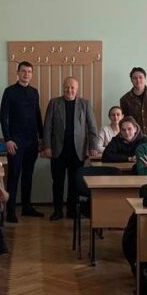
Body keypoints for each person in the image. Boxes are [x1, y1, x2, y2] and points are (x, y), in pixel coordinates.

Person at [42, 76, 101, 220]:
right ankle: (57, 211)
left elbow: (92, 127)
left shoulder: (85, 104)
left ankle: (72, 210)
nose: (69, 90)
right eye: (67, 87)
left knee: (74, 183)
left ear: (77, 89)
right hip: (58, 150)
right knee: (57, 182)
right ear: (63, 88)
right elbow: (47, 126)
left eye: (72, 88)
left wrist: (93, 146)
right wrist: (47, 146)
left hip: (78, 151)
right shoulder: (54, 103)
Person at [0, 61, 45, 222]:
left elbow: (38, 115)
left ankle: (26, 207)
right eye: (23, 71)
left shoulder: (34, 92)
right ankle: (10, 211)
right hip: (15, 141)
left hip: (32, 140)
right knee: (14, 175)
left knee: (28, 175)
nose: (26, 74)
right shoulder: (9, 91)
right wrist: (8, 139)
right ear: (18, 73)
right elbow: (3, 117)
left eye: (29, 72)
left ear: (32, 74)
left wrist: (42, 137)